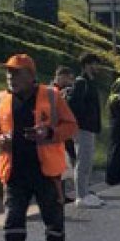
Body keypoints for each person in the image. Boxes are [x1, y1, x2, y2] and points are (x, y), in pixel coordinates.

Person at [0, 54, 78, 241]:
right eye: (8, 73)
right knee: (13, 219)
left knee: (53, 218)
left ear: (30, 75)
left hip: (45, 171)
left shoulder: (51, 95)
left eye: (15, 73)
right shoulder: (0, 99)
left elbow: (70, 126)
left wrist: (48, 133)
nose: (10, 77)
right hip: (14, 171)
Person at [66, 54, 105, 208]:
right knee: (82, 162)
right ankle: (81, 196)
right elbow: (74, 105)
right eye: (95, 64)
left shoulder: (90, 83)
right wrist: (84, 120)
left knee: (87, 161)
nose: (98, 67)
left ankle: (85, 192)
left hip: (88, 127)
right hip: (82, 127)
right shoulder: (81, 83)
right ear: (87, 65)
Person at [53, 66, 77, 204]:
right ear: (60, 76)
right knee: (58, 164)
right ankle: (58, 194)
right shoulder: (53, 91)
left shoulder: (62, 91)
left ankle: (62, 193)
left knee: (63, 164)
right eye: (68, 78)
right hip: (55, 133)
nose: (69, 81)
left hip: (63, 130)